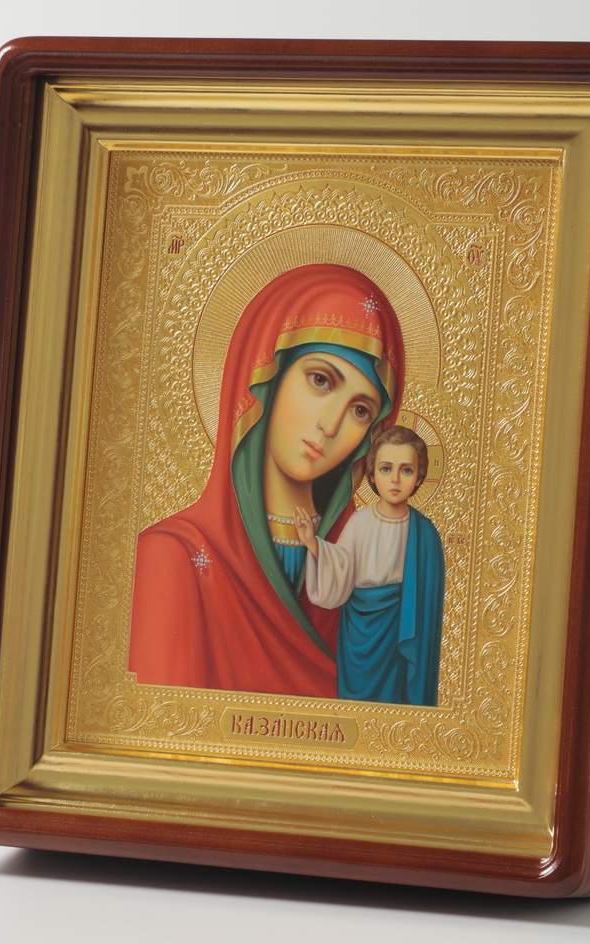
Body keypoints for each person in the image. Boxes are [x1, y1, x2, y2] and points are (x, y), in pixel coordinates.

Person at [128, 264, 405, 696]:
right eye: (320, 380)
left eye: (360, 410)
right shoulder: (173, 558)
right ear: (266, 379)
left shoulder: (364, 572)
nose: (331, 425)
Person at [294, 426, 444, 706]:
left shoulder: (426, 533)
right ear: (372, 474)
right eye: (386, 469)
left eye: (406, 470)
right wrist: (313, 544)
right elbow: (340, 566)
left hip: (401, 632)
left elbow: (429, 607)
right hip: (360, 631)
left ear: (419, 476)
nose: (395, 479)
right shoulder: (359, 523)